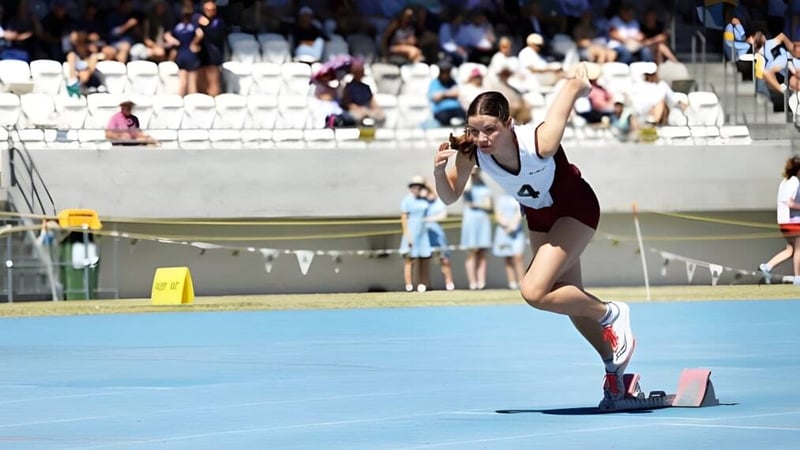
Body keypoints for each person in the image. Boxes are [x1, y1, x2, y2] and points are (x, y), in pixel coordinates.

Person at [432, 62, 635, 407]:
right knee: (570, 301)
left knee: (534, 290)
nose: (483, 139)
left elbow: (569, 89)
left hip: (575, 209)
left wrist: (581, 80)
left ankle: (611, 312)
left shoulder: (539, 141)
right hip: (540, 218)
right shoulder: (473, 150)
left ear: (508, 123)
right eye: (476, 130)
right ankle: (615, 374)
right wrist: (439, 171)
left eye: (491, 129)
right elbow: (450, 195)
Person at [759, 156, 800, 285]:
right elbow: (790, 202)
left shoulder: (784, 182)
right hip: (792, 221)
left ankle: (767, 267)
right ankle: (798, 277)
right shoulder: (794, 181)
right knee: (799, 249)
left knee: (790, 249)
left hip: (783, 222)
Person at [460, 167, 493, 290]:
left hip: (483, 221)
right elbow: (467, 189)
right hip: (470, 222)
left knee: (482, 253)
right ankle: (472, 282)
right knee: (471, 253)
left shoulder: (483, 186)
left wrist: (476, 204)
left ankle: (481, 282)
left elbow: (488, 205)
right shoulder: (466, 184)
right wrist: (468, 174)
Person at [400, 175, 433, 293]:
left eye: (419, 186)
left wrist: (426, 183)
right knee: (410, 259)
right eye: (414, 186)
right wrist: (408, 236)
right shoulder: (407, 200)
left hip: (423, 232)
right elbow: (404, 219)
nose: (416, 189)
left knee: (424, 259)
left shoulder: (424, 200)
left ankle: (422, 283)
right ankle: (408, 284)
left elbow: (434, 196)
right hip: (411, 232)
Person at [422, 183, 456, 291]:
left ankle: (449, 282)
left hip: (438, 235)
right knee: (424, 260)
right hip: (425, 236)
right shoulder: (422, 203)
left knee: (444, 259)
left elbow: (442, 216)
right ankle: (425, 284)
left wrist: (428, 219)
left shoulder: (439, 203)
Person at [492, 194, 526, 289]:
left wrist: (512, 225)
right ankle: (512, 283)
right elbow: (498, 215)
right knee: (507, 257)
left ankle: (521, 282)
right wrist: (506, 225)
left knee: (518, 257)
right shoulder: (501, 199)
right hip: (503, 232)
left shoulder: (519, 197)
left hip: (516, 231)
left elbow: (519, 213)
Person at [428, 60, 467, 127]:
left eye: (448, 71)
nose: (446, 74)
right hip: (442, 111)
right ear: (440, 72)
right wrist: (449, 93)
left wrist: (443, 95)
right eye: (444, 71)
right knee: (444, 119)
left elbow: (458, 93)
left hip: (457, 109)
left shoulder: (453, 82)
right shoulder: (434, 82)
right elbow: (435, 97)